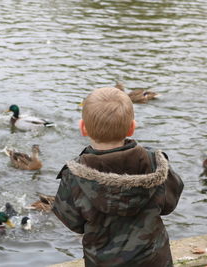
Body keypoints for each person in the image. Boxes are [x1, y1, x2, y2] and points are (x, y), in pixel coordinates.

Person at [52, 87, 184, 267]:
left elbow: (73, 222)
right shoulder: (156, 164)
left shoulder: (74, 175)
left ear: (83, 128)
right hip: (154, 260)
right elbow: (169, 204)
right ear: (132, 127)